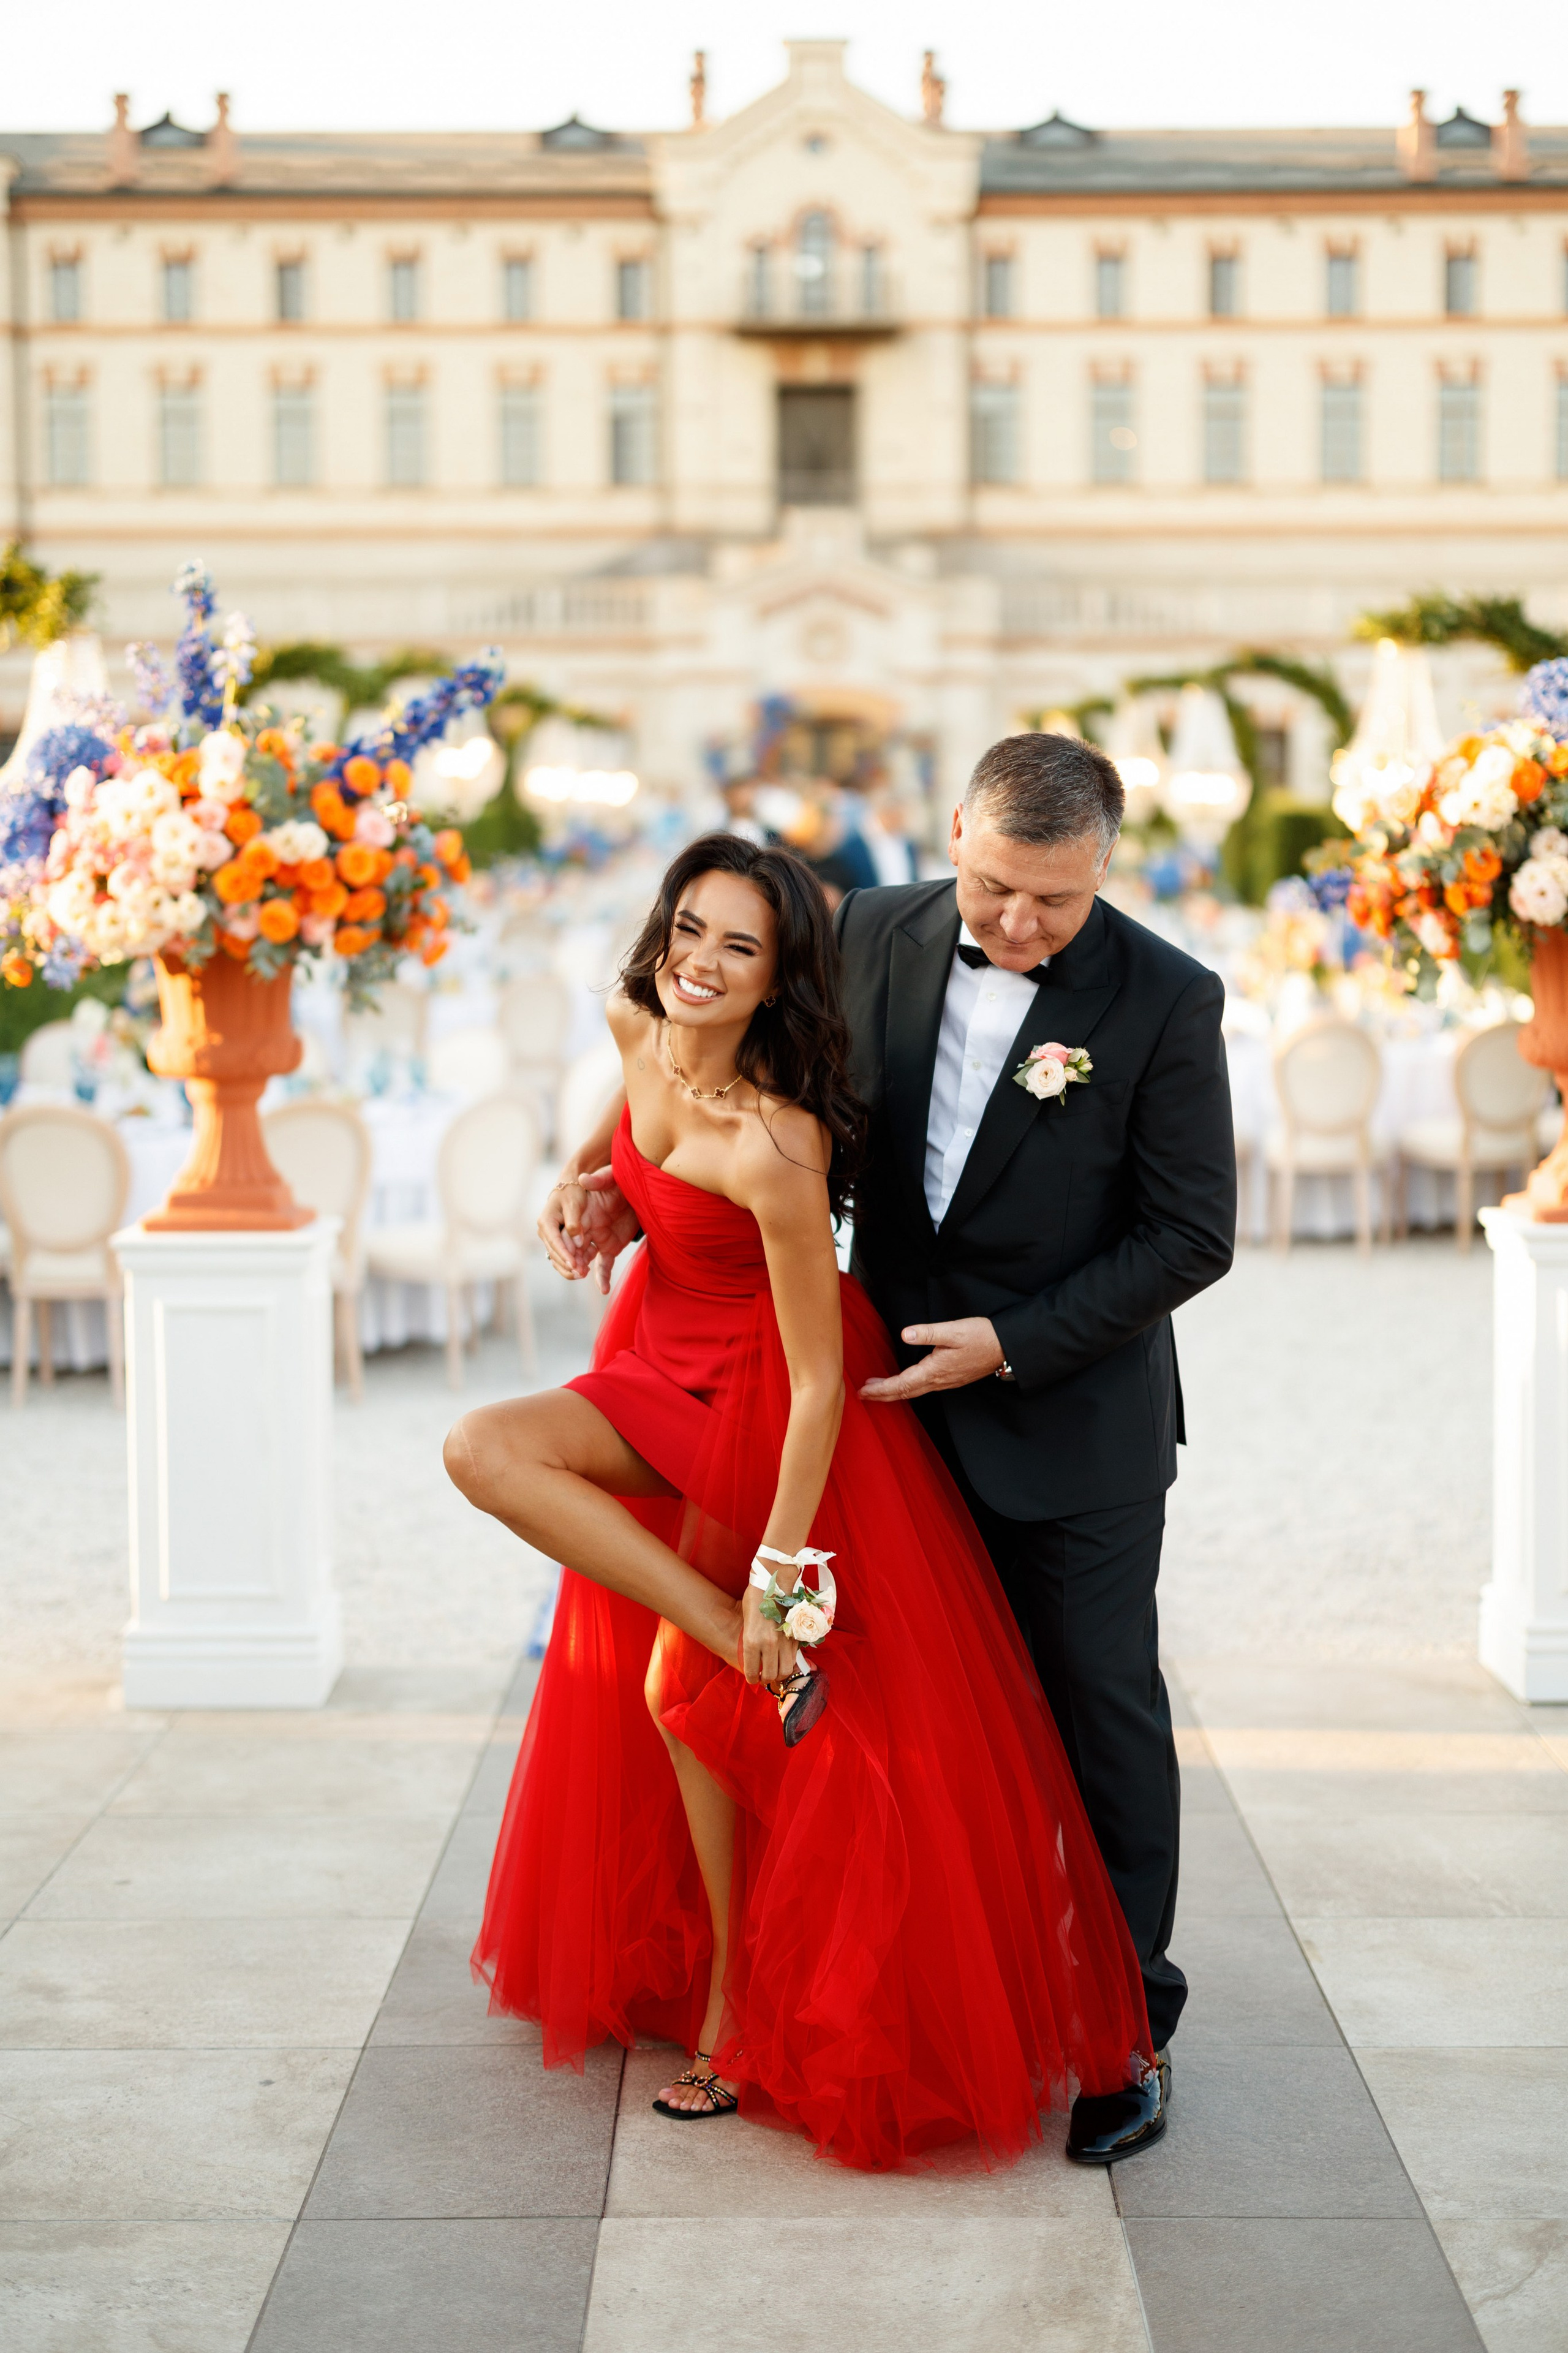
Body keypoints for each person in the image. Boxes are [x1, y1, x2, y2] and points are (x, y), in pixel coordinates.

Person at [552, 733, 1236, 2162]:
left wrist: (1014, 1340)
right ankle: (938, 1994)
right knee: (914, 1726)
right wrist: (618, 1183)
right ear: (954, 834)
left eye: (1054, 900)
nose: (1018, 923)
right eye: (994, 889)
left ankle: (1129, 2031)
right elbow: (749, 1087)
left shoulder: (1167, 997)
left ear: (1104, 866)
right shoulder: (866, 925)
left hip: (1069, 1421)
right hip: (876, 1408)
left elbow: (1191, 1234)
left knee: (1097, 1718)